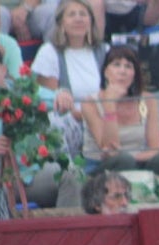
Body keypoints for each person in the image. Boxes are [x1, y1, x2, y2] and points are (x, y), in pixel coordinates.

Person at [0, 43, 80, 213]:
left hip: (33, 173)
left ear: (3, 69)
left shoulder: (21, 90)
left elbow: (53, 98)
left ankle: (67, 234)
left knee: (71, 172)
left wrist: (63, 96)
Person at [81, 44, 159, 175]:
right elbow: (109, 148)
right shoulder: (90, 103)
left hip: (139, 160)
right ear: (105, 71)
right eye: (116, 65)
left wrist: (135, 158)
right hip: (101, 165)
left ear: (134, 75)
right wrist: (110, 105)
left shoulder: (148, 100)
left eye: (128, 66)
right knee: (123, 161)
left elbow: (155, 147)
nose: (122, 71)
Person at [31, 0, 104, 157]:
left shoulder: (103, 51)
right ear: (61, 23)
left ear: (91, 21)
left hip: (101, 117)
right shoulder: (49, 52)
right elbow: (49, 100)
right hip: (69, 119)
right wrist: (80, 114)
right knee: (53, 122)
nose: (78, 19)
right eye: (72, 14)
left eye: (83, 14)